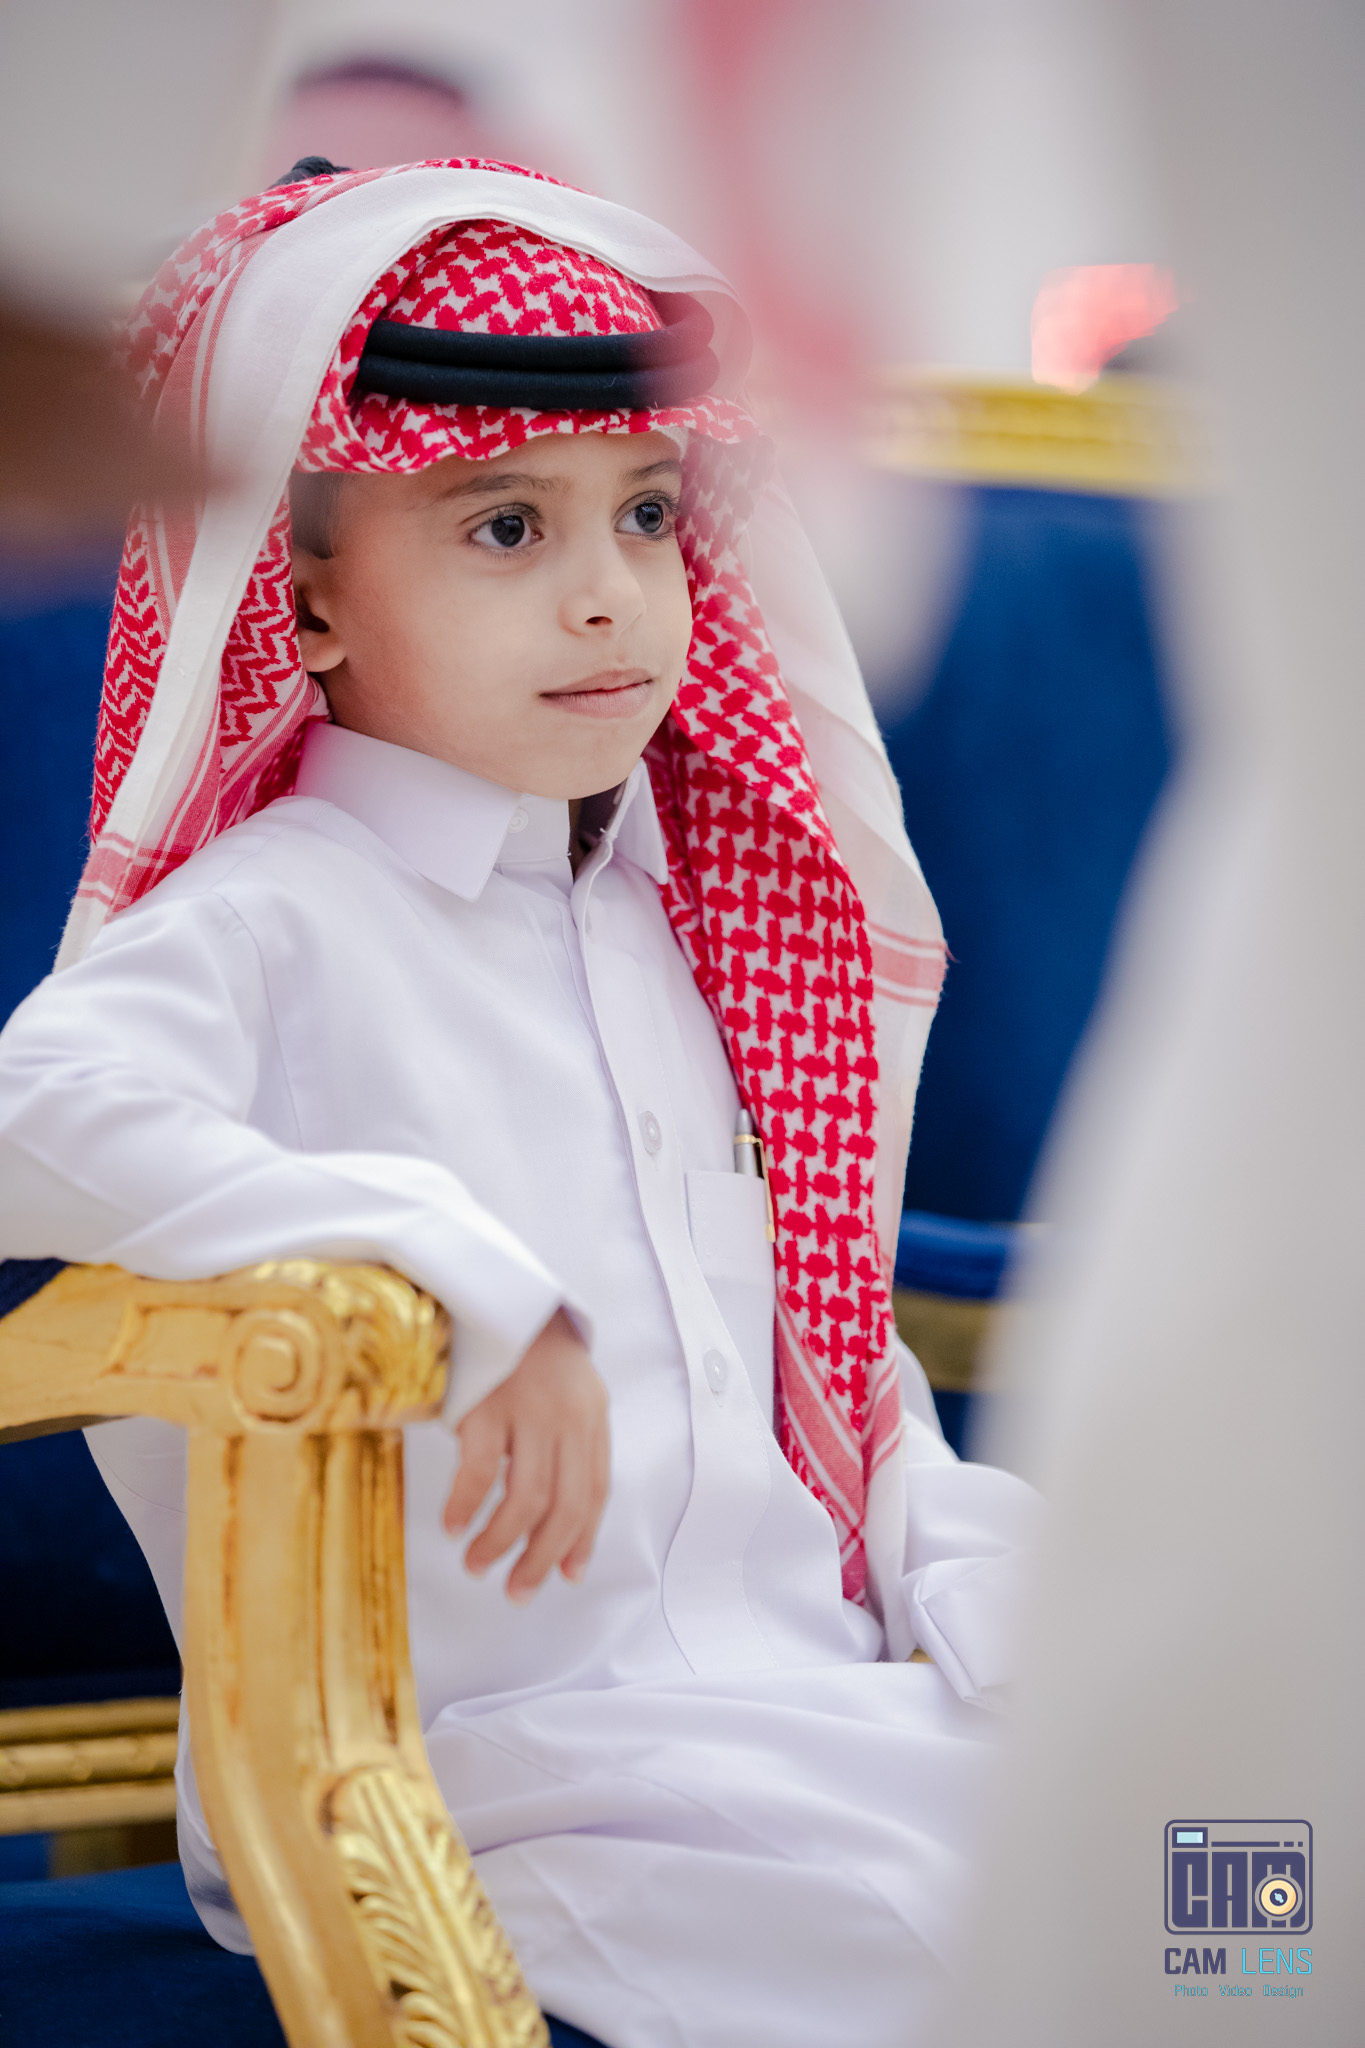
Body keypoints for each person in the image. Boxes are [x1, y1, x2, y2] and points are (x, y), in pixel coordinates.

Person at [0, 158, 1036, 2048]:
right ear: (302, 597)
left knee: (1246, 1863)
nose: (606, 596)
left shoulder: (690, 919)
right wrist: (439, 1260)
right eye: (503, 526)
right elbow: (33, 1112)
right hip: (504, 1781)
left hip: (815, 1716)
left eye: (645, 514)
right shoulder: (276, 914)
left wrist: (988, 1573)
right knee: (1004, 1955)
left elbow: (822, 1358)